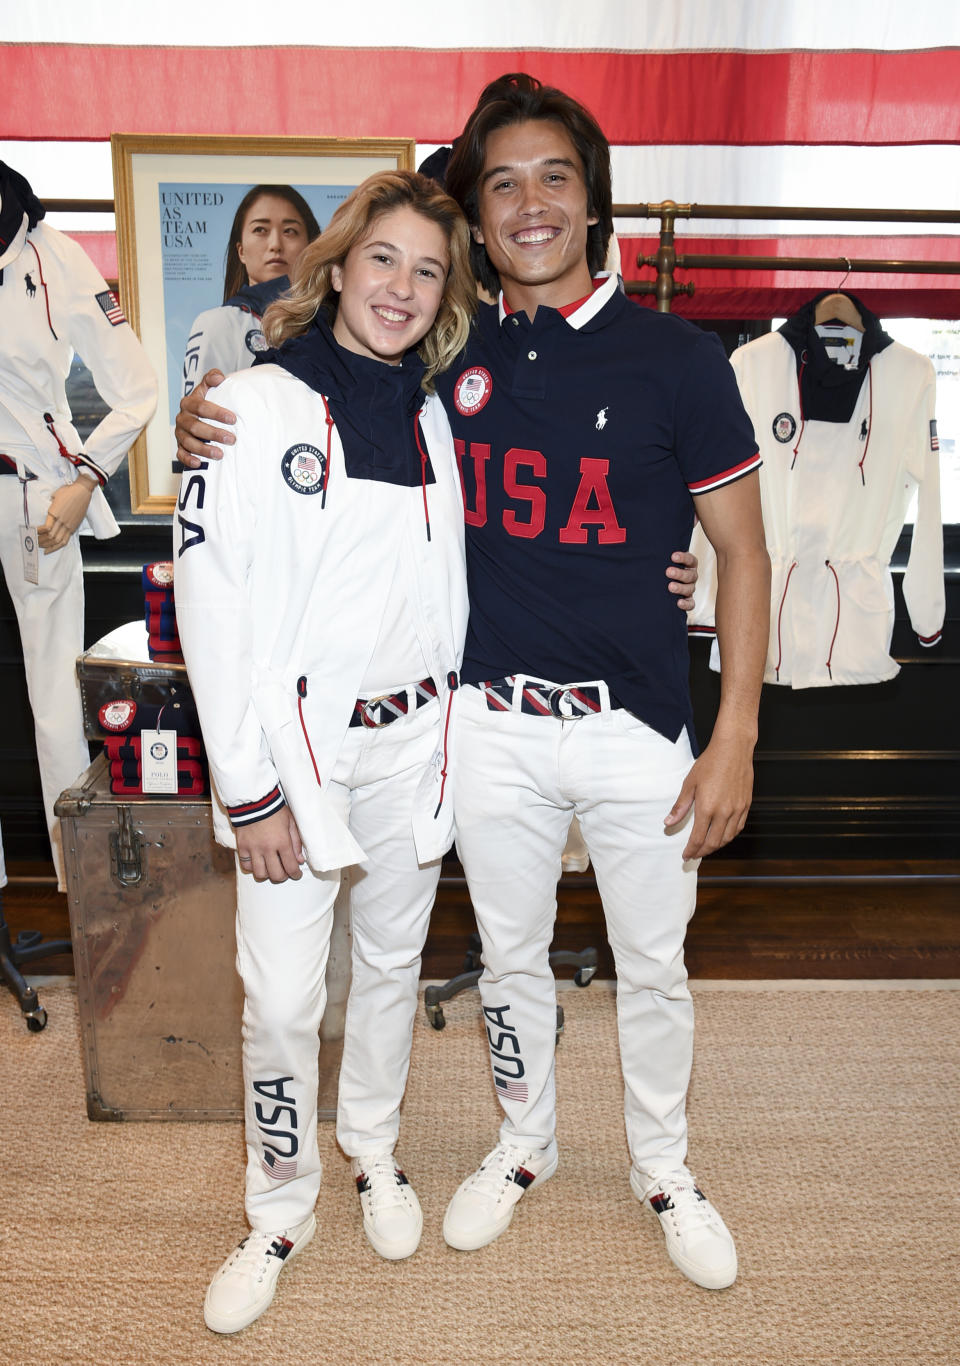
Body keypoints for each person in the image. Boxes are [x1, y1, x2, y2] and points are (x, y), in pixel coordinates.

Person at [175, 73, 765, 1294]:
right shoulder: (441, 354)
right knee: (492, 963)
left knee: (648, 965)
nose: (530, 203)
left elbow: (741, 549)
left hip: (628, 727)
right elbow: (284, 452)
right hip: (478, 728)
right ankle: (511, 1145)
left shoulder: (671, 358)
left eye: (556, 177)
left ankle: (660, 1162)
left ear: (595, 203)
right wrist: (202, 415)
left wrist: (738, 730)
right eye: (501, 183)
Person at [174, 169, 476, 1334]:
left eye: (427, 268)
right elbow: (213, 607)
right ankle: (278, 1205)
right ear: (338, 265)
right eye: (383, 259)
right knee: (286, 997)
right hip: (292, 761)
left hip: (416, 744)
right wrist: (248, 795)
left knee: (393, 967)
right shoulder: (247, 404)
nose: (401, 286)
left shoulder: (441, 415)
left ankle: (375, 1151)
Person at [0, 160, 157, 889]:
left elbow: (136, 387)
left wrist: (87, 476)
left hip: (34, 496)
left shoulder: (52, 256)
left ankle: (83, 895)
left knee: (57, 699)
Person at [181, 184, 321, 398]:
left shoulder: (330, 327)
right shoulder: (218, 324)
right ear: (241, 251)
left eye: (290, 231)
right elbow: (199, 420)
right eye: (260, 230)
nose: (275, 244)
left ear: (310, 247)